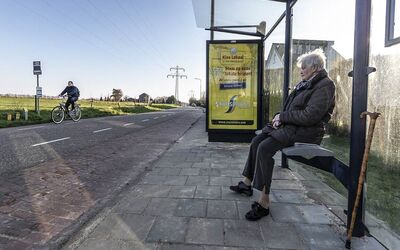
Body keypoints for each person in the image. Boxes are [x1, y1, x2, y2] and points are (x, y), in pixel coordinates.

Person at [230, 48, 335, 221]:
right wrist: (278, 118)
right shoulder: (306, 83)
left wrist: (283, 117)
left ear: (315, 68)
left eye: (304, 67)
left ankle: (264, 203)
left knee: (264, 148)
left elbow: (311, 116)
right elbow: (291, 109)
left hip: (307, 133)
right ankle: (247, 184)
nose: (301, 70)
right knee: (257, 140)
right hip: (293, 127)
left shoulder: (325, 85)